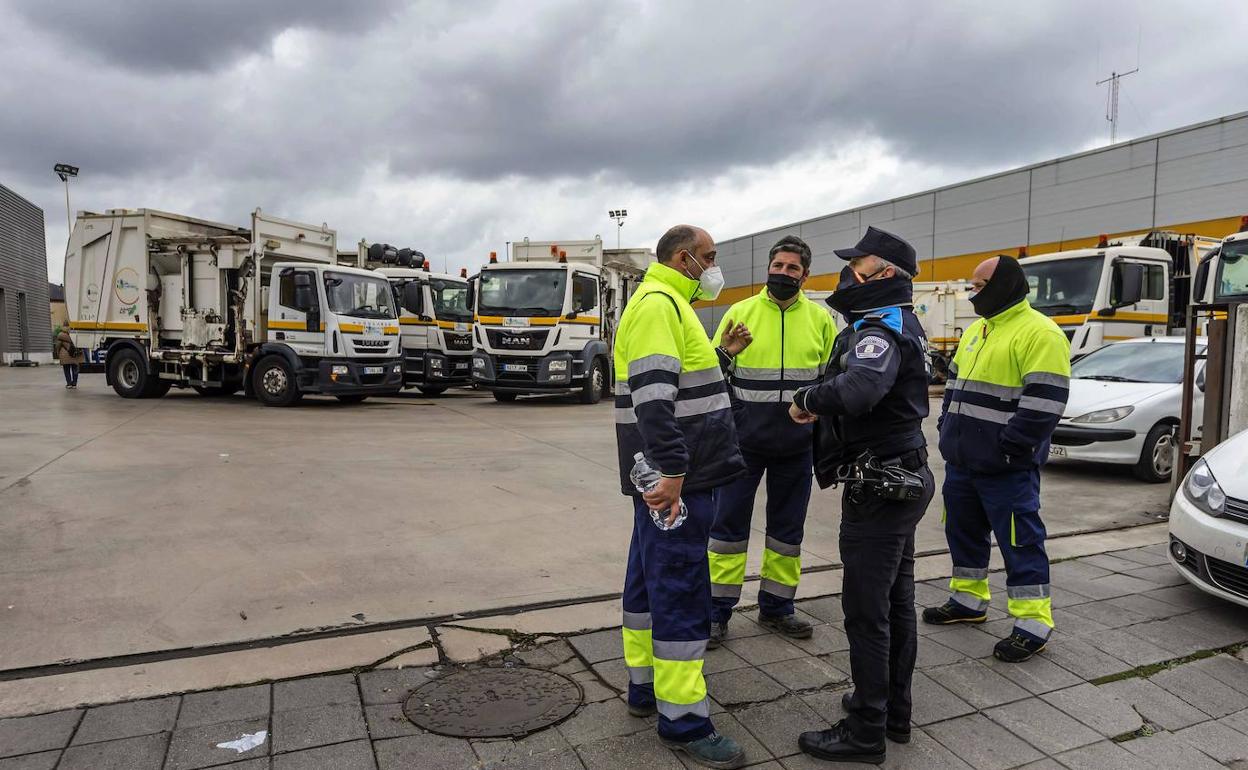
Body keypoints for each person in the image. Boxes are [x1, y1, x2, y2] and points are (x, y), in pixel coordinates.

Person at [788, 226, 935, 764]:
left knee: (866, 610)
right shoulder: (901, 321)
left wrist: (808, 397)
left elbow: (860, 388)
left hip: (883, 485)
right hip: (901, 475)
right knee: (895, 601)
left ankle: (866, 728)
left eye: (857, 265)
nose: (847, 274)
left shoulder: (881, 327)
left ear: (885, 273)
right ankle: (893, 710)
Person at [614, 224, 748, 768]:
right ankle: (685, 720)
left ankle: (646, 689)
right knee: (680, 589)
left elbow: (686, 380)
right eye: (710, 257)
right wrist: (671, 470)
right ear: (684, 257)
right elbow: (653, 397)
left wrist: (724, 354)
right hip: (680, 481)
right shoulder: (659, 304)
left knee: (649, 580)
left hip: (674, 477)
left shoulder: (668, 303)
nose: (715, 267)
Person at [923, 255, 1070, 663]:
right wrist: (945, 431)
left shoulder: (1041, 333)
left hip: (1006, 469)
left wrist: (1010, 447)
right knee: (963, 535)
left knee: (1021, 543)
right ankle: (968, 602)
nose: (973, 293)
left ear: (1005, 283)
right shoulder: (978, 331)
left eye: (980, 285)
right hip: (963, 464)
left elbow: (1044, 405)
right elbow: (951, 385)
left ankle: (1032, 624)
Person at [707, 235, 836, 645]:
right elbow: (711, 375)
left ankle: (778, 607)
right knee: (726, 530)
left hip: (797, 447)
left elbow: (832, 381)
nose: (783, 273)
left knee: (787, 532)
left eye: (792, 268)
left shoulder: (821, 320)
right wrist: (729, 350)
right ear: (768, 268)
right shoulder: (740, 313)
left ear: (805, 274)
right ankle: (715, 612)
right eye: (777, 266)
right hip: (742, 445)